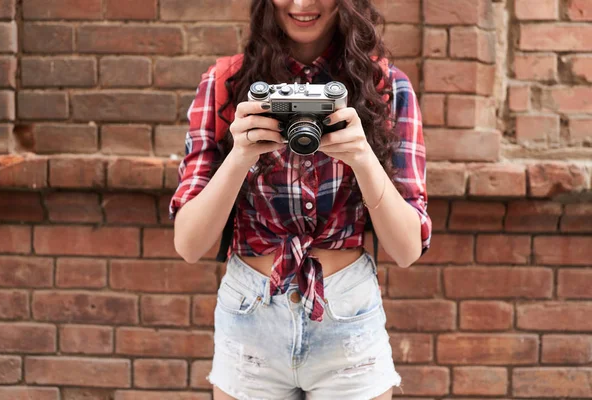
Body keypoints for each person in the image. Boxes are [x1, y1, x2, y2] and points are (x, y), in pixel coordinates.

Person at [169, 0, 432, 398]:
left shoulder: (385, 87)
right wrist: (241, 154)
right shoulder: (226, 83)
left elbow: (408, 248)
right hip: (250, 315)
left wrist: (362, 156)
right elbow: (188, 245)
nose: (303, 3)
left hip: (347, 311)